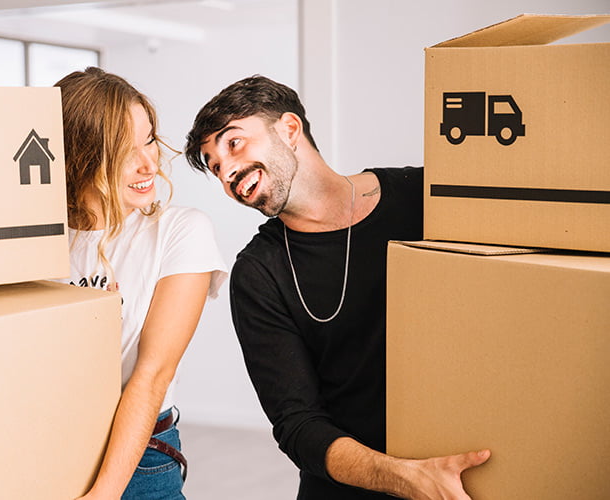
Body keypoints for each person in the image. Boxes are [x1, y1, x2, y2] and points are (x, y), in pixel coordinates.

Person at [184, 75, 489, 500]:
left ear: (289, 129)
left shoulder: (422, 194)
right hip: (351, 490)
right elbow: (298, 424)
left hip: (469, 469)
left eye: (233, 144)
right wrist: (404, 477)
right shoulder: (258, 272)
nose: (228, 173)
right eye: (215, 166)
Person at [55, 67, 227, 500]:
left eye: (148, 138)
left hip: (141, 459)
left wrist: (104, 494)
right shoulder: (36, 241)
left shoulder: (180, 231)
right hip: (49, 445)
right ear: (79, 155)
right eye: (121, 150)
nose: (148, 163)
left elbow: (152, 375)